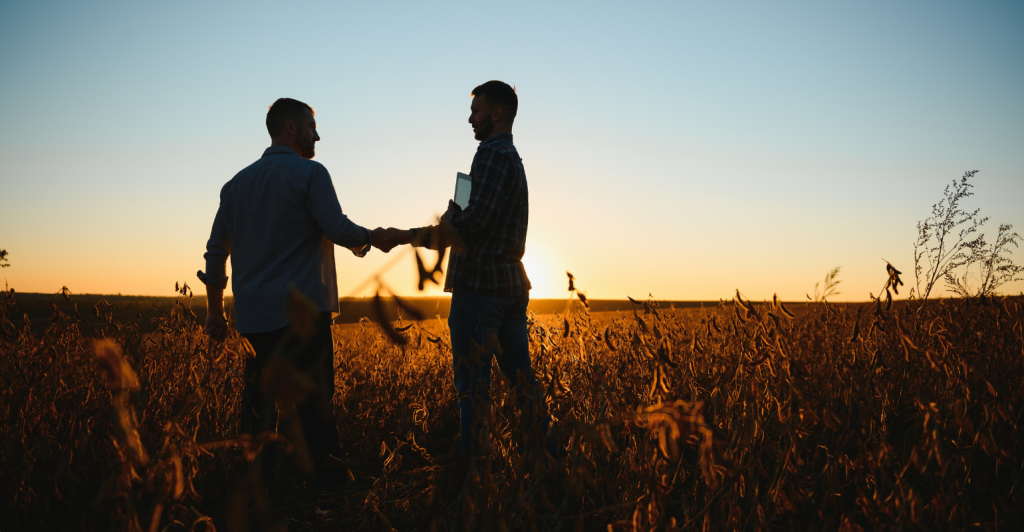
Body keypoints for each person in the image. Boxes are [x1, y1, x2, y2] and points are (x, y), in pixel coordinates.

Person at [199, 98, 393, 483]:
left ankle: (258, 489)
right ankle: (331, 488)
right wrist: (372, 238)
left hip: (254, 319)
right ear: (290, 128)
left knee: (258, 409)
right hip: (303, 316)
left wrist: (215, 312)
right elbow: (337, 228)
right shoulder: (310, 173)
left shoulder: (234, 185)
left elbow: (215, 252)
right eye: (312, 127)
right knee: (316, 405)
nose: (317, 136)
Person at [386, 81, 553, 458]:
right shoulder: (512, 158)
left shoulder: (491, 153)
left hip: (480, 288)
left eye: (476, 111)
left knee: (473, 390)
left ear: (497, 113)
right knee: (523, 383)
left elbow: (476, 220)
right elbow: (475, 217)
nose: (470, 119)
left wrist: (428, 229)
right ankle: (550, 461)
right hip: (510, 285)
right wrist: (439, 221)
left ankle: (475, 477)